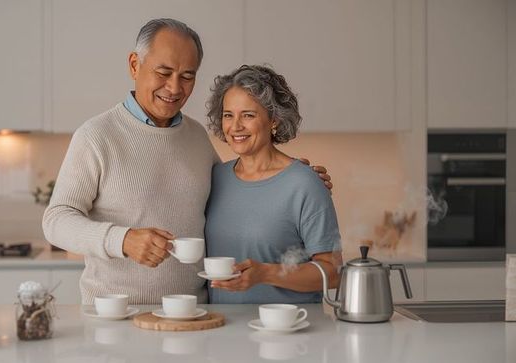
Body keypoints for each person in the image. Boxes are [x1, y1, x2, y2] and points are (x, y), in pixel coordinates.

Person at [42, 18, 332, 305]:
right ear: (134, 65)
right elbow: (56, 220)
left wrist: (294, 179)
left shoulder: (196, 137)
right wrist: (122, 239)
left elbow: (237, 186)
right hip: (117, 314)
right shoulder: (96, 136)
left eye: (187, 76)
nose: (174, 87)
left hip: (193, 314)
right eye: (164, 72)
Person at [205, 64, 342, 304]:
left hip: (290, 331)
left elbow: (332, 273)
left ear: (274, 120)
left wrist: (266, 274)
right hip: (222, 330)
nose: (235, 126)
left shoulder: (304, 184)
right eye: (228, 115)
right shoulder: (216, 178)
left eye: (248, 115)